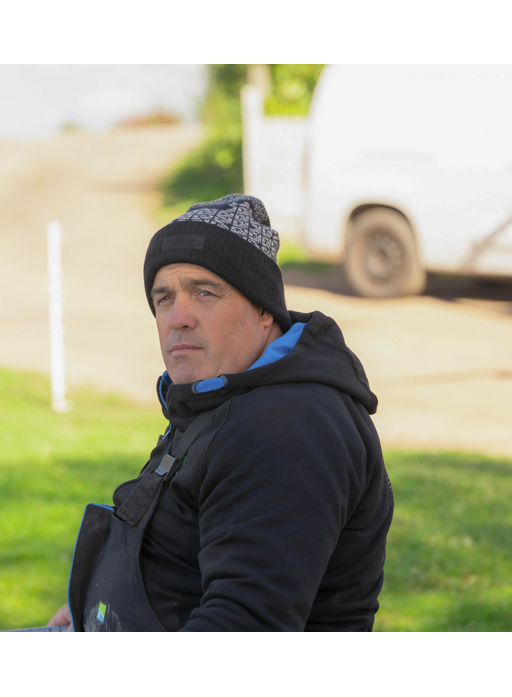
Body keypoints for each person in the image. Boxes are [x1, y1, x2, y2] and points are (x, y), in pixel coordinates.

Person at [48, 194, 393, 632]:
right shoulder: (223, 397)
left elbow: (243, 620)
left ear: (263, 308)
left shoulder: (288, 429)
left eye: (205, 293)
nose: (179, 317)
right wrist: (90, 609)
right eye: (164, 298)